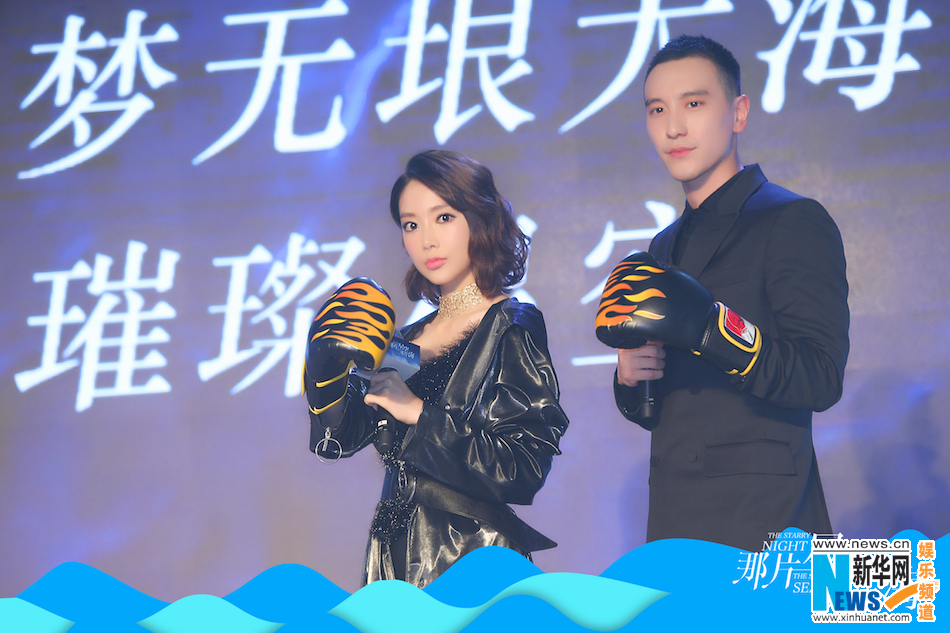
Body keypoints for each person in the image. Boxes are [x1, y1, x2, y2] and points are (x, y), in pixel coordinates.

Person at [607, 35, 849, 551]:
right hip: (675, 525)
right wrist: (630, 378)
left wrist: (713, 330)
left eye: (694, 104)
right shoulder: (663, 245)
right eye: (657, 109)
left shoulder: (791, 219)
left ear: (738, 113)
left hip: (763, 529)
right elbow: (670, 408)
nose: (674, 127)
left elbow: (821, 377)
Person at [304, 149, 569, 587]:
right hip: (393, 562)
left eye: (443, 217)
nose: (426, 240)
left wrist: (417, 413)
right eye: (411, 224)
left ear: (479, 219)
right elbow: (336, 441)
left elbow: (523, 469)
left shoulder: (509, 325)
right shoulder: (406, 342)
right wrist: (322, 367)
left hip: (473, 563)